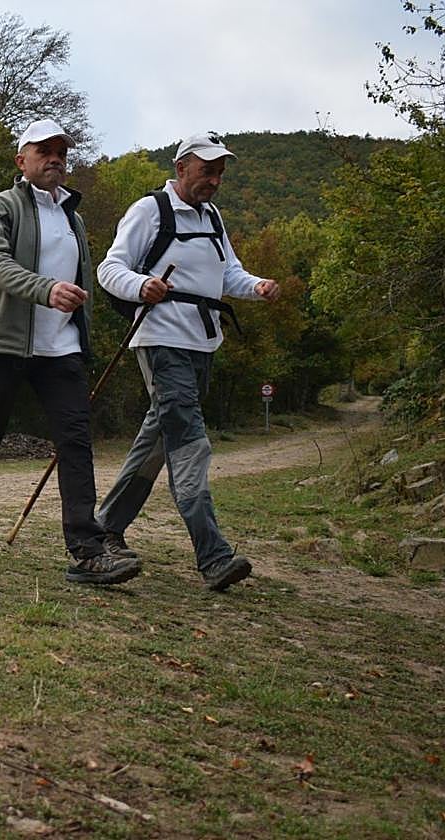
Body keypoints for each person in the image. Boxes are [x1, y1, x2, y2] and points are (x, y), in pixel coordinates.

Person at [0, 118, 139, 586]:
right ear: (20, 160)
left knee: (75, 441)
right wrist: (46, 290)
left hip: (61, 346)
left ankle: (88, 552)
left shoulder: (74, 217)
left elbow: (85, 280)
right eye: (44, 150)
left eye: (61, 152)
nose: (54, 159)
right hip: (3, 341)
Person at [96, 132, 281, 591]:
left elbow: (228, 274)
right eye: (207, 171)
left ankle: (104, 528)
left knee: (160, 439)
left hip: (203, 344)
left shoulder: (212, 217)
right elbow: (109, 268)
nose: (215, 181)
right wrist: (142, 286)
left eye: (219, 173)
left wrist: (256, 285)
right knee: (189, 440)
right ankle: (213, 555)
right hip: (161, 340)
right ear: (181, 169)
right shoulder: (150, 210)